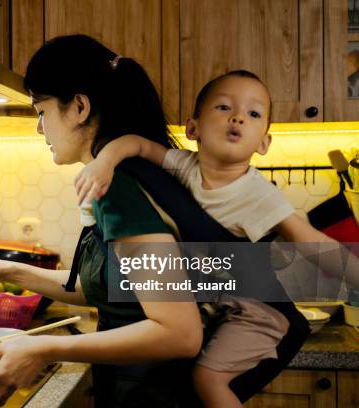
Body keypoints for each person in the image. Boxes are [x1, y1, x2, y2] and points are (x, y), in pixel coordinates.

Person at [0, 34, 205, 408]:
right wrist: (7, 271)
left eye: (41, 111)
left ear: (80, 107)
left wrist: (45, 347)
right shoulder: (122, 173)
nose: (40, 128)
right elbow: (117, 291)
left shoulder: (117, 186)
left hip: (155, 392)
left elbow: (180, 333)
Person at [73, 70, 348, 407]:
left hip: (255, 315)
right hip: (219, 308)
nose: (237, 117)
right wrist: (104, 162)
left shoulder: (260, 195)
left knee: (207, 379)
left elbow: (310, 241)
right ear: (192, 129)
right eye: (223, 107)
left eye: (253, 114)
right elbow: (137, 144)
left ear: (264, 142)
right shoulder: (182, 167)